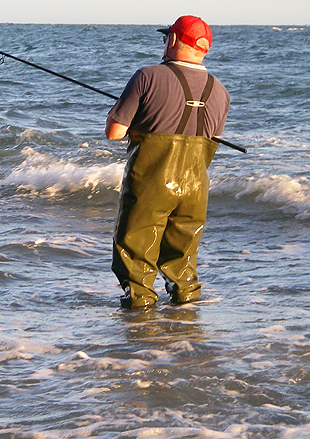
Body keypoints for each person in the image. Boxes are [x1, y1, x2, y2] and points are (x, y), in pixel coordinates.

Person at [106, 15, 230, 308]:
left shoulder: (147, 76)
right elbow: (210, 140)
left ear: (174, 40)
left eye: (166, 38)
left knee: (136, 259)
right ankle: (187, 327)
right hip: (195, 188)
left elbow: (114, 133)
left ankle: (140, 332)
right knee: (183, 264)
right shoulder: (220, 91)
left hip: (151, 183)